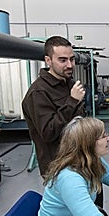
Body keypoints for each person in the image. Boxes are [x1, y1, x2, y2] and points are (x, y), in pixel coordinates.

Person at [21, 35, 86, 178]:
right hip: (60, 168)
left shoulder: (68, 82)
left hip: (80, 160)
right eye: (62, 60)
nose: (69, 65)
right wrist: (72, 101)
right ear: (48, 61)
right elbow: (48, 132)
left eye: (72, 59)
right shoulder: (38, 92)